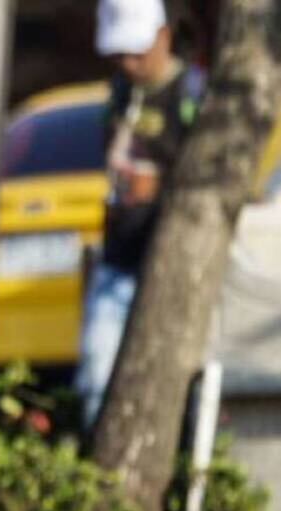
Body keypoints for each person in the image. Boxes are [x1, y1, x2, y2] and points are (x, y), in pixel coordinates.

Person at [77, 0, 205, 427]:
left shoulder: (192, 93)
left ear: (163, 34)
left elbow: (210, 184)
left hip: (171, 266)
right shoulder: (121, 92)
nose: (128, 63)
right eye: (119, 53)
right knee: (97, 373)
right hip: (119, 256)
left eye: (136, 50)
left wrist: (161, 187)